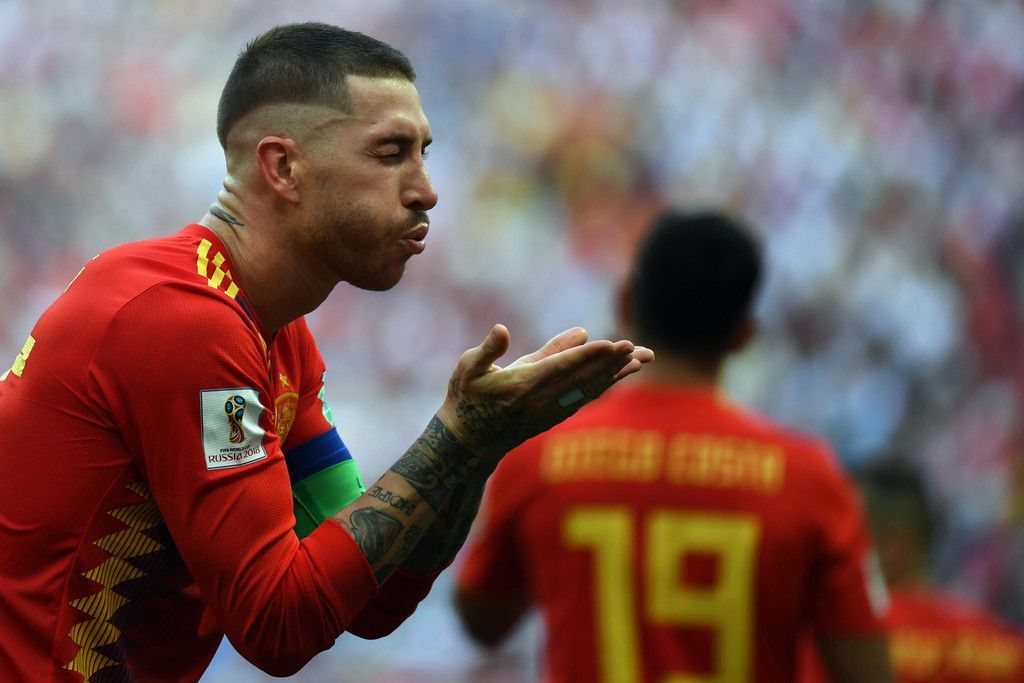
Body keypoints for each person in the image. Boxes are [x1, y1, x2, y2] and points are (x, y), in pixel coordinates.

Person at [0, 23, 653, 682]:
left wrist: (478, 449)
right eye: (391, 153)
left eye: (423, 153)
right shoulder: (182, 319)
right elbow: (277, 624)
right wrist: (456, 439)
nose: (426, 190)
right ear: (283, 167)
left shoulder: (278, 336)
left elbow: (370, 596)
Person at [454, 209, 893, 683]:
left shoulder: (540, 458)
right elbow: (867, 672)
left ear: (626, 302)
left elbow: (483, 619)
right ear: (744, 334)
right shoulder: (810, 480)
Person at [799, 460, 1024, 683]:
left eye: (848, 539)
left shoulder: (840, 645)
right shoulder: (1004, 646)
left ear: (893, 547)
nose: (832, 550)